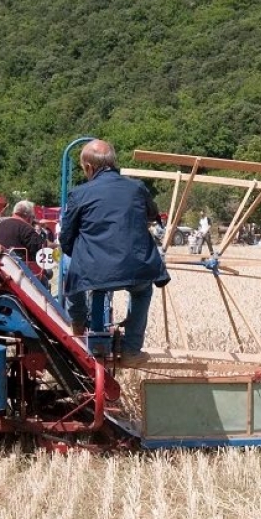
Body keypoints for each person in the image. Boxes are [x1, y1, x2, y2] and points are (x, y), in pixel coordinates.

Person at [58, 139, 171, 360]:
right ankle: (131, 348)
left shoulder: (79, 194)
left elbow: (66, 238)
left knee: (71, 273)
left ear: (89, 168)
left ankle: (79, 328)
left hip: (93, 270)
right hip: (136, 267)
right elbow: (152, 214)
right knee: (142, 291)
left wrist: (80, 255)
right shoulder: (137, 187)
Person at [0, 200, 47, 265]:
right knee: (48, 272)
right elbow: (41, 248)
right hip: (19, 268)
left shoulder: (0, 226)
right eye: (33, 217)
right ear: (28, 216)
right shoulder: (26, 228)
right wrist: (54, 245)